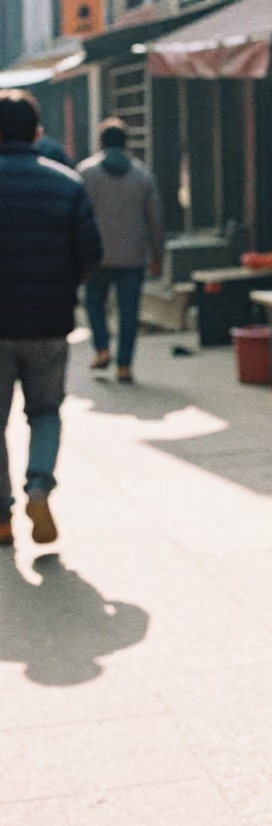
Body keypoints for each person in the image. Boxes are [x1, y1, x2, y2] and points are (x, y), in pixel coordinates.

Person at [0, 89, 102, 546]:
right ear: (38, 132)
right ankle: (39, 487)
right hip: (49, 323)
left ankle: (1, 517)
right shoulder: (67, 183)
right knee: (44, 412)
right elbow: (90, 254)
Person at [77, 117, 164, 384]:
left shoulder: (85, 173)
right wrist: (158, 255)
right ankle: (124, 366)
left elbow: (76, 216)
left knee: (94, 302)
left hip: (96, 255)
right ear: (126, 143)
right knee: (129, 311)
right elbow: (155, 219)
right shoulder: (142, 175)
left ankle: (102, 347)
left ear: (101, 142)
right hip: (133, 255)